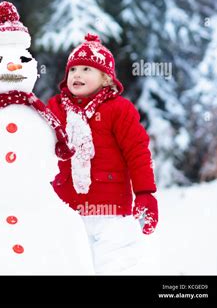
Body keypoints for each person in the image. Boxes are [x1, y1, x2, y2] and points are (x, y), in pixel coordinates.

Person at [47, 33, 158, 274]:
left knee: (115, 265)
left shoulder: (119, 109)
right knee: (70, 265)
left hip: (111, 210)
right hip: (67, 209)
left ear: (106, 78)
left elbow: (137, 152)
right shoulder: (54, 108)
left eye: (87, 69)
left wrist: (145, 193)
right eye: (73, 69)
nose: (77, 74)